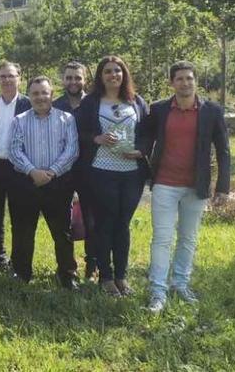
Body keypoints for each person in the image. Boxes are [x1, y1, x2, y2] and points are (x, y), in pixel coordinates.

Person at [143, 61, 231, 313]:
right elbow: (147, 138)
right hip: (164, 184)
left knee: (188, 239)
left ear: (196, 81)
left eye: (190, 78)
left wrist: (222, 188)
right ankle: (157, 291)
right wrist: (139, 154)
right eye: (180, 79)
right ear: (171, 83)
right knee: (161, 239)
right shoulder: (159, 109)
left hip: (197, 186)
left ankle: (180, 284)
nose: (185, 83)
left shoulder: (211, 111)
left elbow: (223, 150)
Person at [75, 56, 149, 297]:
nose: (113, 75)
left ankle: (122, 276)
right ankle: (105, 277)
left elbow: (149, 133)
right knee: (105, 224)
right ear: (100, 76)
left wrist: (142, 151)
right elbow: (77, 131)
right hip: (100, 172)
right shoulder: (91, 103)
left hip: (131, 175)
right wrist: (95, 138)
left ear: (124, 74)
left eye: (117, 71)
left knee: (123, 225)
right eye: (108, 71)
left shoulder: (136, 101)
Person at [9, 77, 80, 288]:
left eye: (44, 92)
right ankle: (22, 274)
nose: (40, 97)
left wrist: (51, 172)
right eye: (35, 93)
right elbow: (14, 151)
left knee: (62, 233)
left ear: (52, 93)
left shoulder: (67, 119)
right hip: (27, 183)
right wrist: (33, 171)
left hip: (57, 184)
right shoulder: (19, 120)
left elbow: (72, 150)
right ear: (29, 95)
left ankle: (67, 275)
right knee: (23, 232)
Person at [0, 61, 31, 269]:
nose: (7, 80)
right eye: (3, 76)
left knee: (19, 216)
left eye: (11, 76)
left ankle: (18, 261)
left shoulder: (28, 104)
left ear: (20, 78)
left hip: (19, 167)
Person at [52, 61, 97, 280]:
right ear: (63, 80)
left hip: (90, 169)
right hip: (62, 171)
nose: (73, 82)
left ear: (84, 80)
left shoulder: (94, 103)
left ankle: (92, 266)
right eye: (69, 77)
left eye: (77, 78)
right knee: (62, 221)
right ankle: (67, 268)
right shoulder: (55, 105)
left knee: (91, 221)